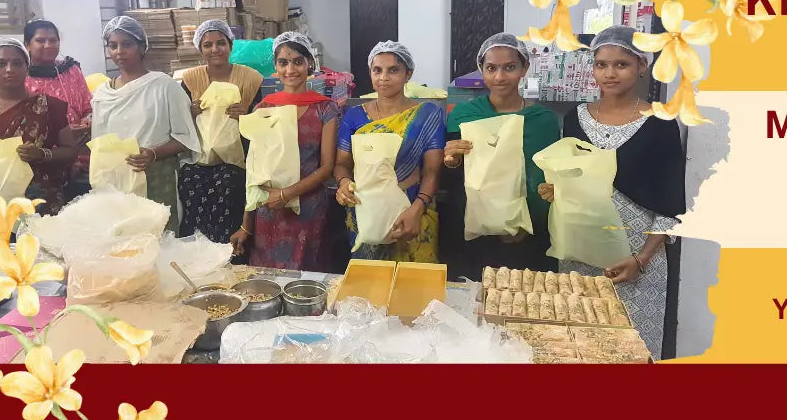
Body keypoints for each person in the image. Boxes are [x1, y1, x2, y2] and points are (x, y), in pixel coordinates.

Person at [539, 26, 687, 360]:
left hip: (635, 257)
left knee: (632, 352)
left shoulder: (659, 121)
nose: (609, 73)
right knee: (579, 346)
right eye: (601, 64)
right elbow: (574, 180)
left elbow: (671, 203)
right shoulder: (575, 119)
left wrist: (642, 258)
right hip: (581, 252)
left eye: (621, 64)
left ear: (641, 66)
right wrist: (556, 190)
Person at [443, 33, 559, 278]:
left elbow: (545, 178)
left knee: (521, 301)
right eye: (491, 68)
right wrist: (451, 160)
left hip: (526, 231)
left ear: (524, 68)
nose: (499, 77)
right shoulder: (464, 115)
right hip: (474, 227)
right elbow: (455, 172)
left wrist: (523, 224)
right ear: (481, 70)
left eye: (509, 68)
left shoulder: (543, 121)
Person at [231, 32, 340, 271]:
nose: (290, 69)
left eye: (297, 61)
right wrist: (246, 225)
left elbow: (327, 167)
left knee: (306, 280)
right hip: (269, 208)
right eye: (283, 62)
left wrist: (287, 194)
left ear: (310, 63)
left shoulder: (325, 108)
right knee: (268, 278)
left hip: (308, 209)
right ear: (275, 67)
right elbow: (255, 169)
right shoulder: (264, 107)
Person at [333, 41, 445, 263]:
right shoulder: (354, 116)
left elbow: (432, 171)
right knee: (368, 288)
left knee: (413, 288)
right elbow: (342, 164)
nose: (383, 77)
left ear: (408, 74)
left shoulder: (426, 115)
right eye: (377, 70)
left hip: (413, 209)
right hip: (365, 212)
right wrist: (344, 183)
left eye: (393, 70)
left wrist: (417, 209)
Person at [91, 16, 200, 231]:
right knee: (119, 243)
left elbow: (186, 139)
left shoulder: (164, 87)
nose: (119, 51)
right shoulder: (103, 94)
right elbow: (99, 143)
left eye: (127, 44)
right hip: (115, 183)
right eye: (113, 46)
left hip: (156, 178)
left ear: (142, 47)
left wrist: (152, 153)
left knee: (158, 241)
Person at [0, 39, 77, 213]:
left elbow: (71, 151)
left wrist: (42, 154)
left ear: (27, 68)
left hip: (39, 203)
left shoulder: (49, 106)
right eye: (1, 64)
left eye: (17, 63)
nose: (9, 69)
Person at [177, 20, 264, 246]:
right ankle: (197, 253)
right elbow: (177, 121)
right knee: (189, 183)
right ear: (200, 49)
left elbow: (264, 121)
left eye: (220, 43)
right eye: (208, 45)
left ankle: (230, 253)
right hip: (198, 157)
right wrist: (190, 112)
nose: (215, 49)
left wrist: (246, 113)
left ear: (230, 45)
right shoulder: (190, 80)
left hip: (238, 158)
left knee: (230, 185)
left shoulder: (250, 79)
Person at [21, 19, 93, 201]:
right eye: (41, 40)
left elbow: (89, 106)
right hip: (45, 159)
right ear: (27, 45)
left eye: (53, 40)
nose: (49, 45)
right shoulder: (21, 78)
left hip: (82, 151)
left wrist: (86, 122)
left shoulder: (71, 70)